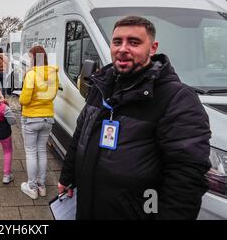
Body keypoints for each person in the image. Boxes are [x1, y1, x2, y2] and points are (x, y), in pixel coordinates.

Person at [58, 15, 211, 220]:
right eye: (117, 41)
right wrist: (68, 176)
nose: (122, 48)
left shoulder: (177, 98)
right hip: (88, 207)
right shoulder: (102, 85)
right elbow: (81, 135)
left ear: (153, 47)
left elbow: (186, 178)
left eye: (134, 42)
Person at [19, 46, 59, 199]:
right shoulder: (53, 74)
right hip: (47, 117)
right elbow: (52, 95)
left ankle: (32, 187)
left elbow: (24, 99)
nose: (29, 60)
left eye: (30, 57)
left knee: (30, 152)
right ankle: (42, 185)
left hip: (31, 118)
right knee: (41, 150)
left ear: (34, 58)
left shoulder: (31, 74)